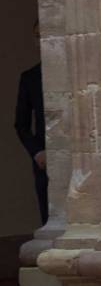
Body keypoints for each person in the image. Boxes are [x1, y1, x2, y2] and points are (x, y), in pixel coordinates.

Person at [14, 19, 47, 225]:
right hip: (45, 160)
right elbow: (21, 124)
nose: (42, 40)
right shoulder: (30, 77)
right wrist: (37, 151)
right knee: (48, 213)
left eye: (45, 34)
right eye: (37, 36)